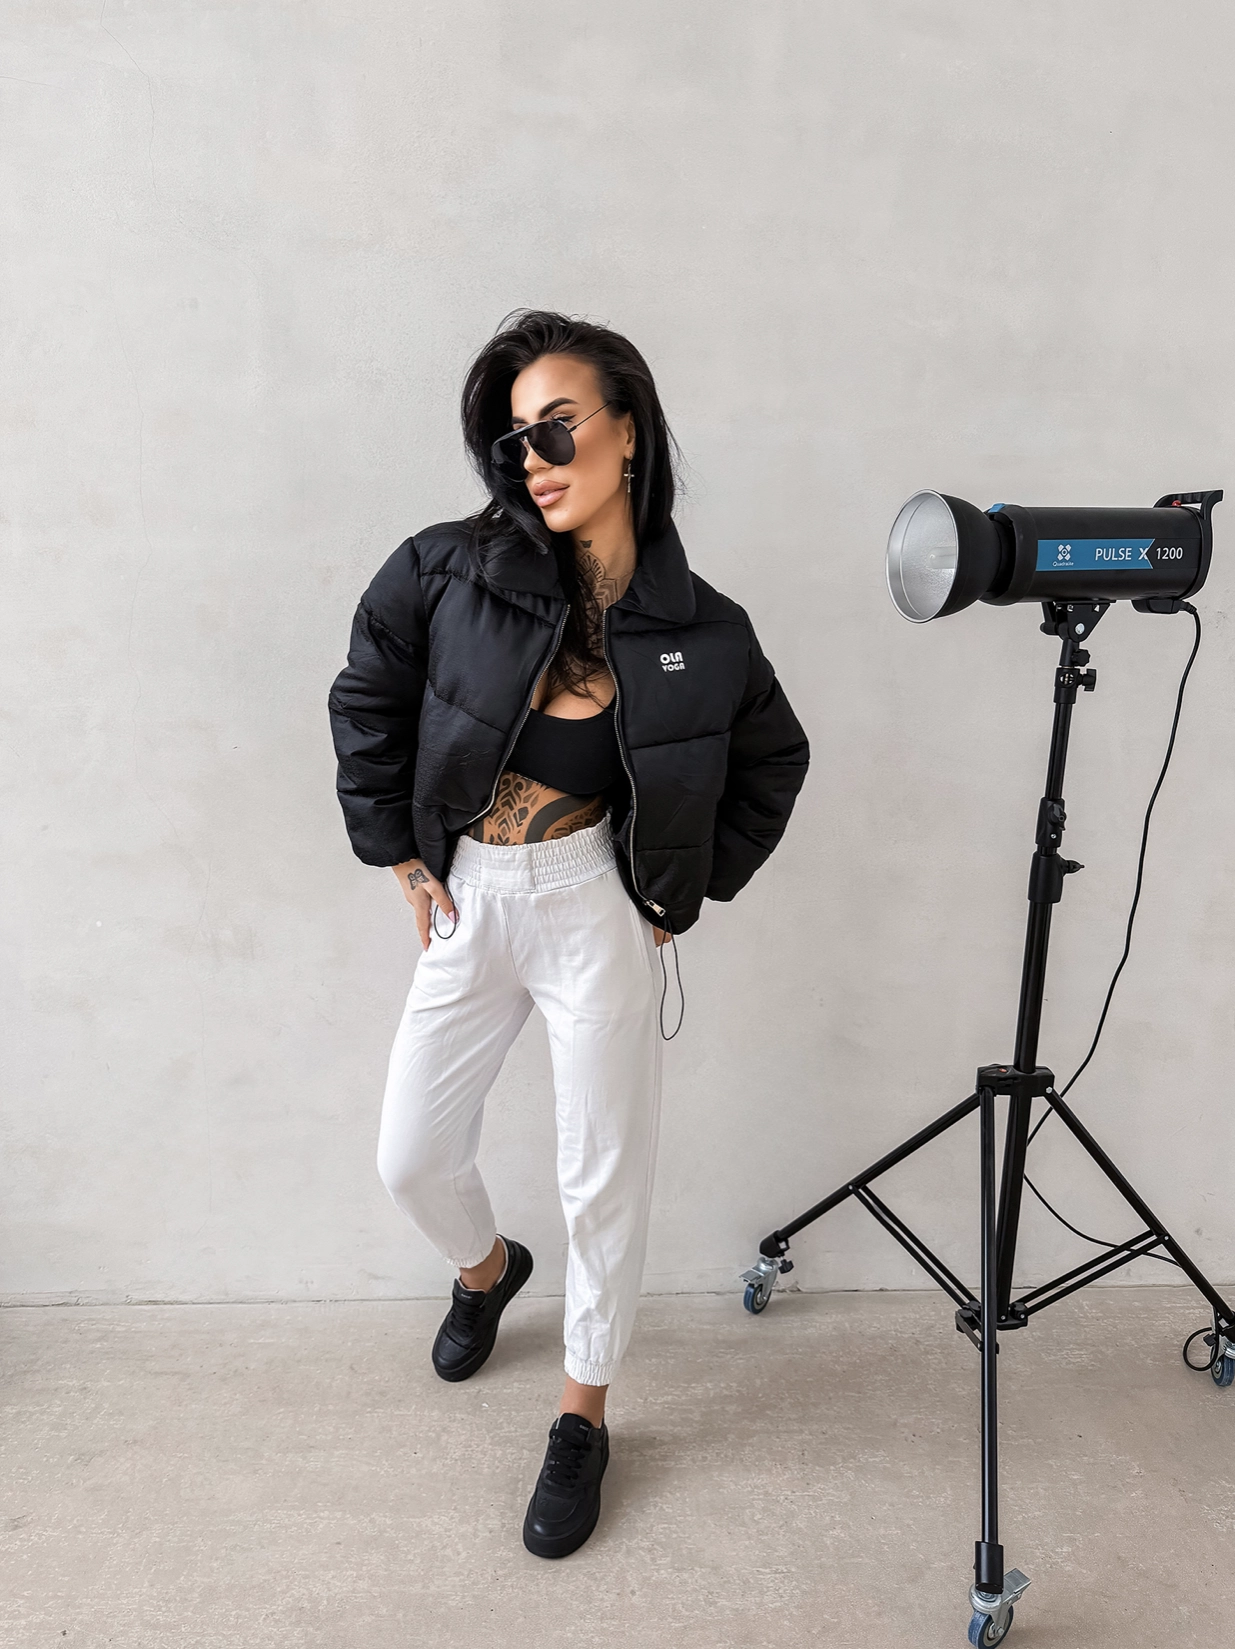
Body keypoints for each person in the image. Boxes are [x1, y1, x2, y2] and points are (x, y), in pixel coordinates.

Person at [328, 309, 809, 1558]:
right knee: (409, 1154)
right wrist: (394, 848)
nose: (532, 459)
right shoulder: (447, 568)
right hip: (471, 894)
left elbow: (774, 759)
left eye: (556, 427)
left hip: (594, 902)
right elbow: (368, 688)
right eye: (513, 439)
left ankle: (582, 1411)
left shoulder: (704, 629)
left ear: (626, 430)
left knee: (604, 1175)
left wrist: (674, 891)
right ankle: (487, 1269)